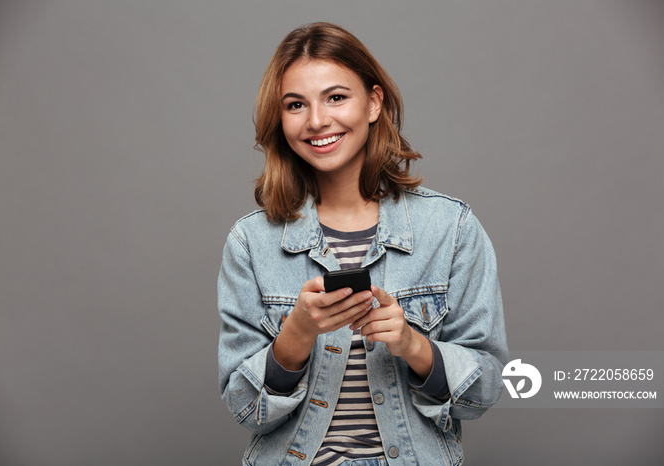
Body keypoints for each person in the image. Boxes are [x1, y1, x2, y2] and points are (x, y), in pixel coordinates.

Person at [218, 22, 509, 466]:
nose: (317, 120)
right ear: (280, 119)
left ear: (373, 103)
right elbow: (246, 410)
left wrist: (413, 345)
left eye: (336, 97)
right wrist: (295, 336)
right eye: (296, 104)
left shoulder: (451, 229)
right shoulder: (250, 242)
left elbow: (484, 390)